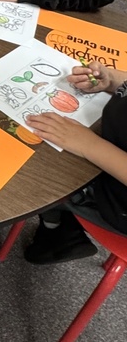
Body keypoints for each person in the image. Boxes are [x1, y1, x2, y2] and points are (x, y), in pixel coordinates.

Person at [22, 60, 127, 263]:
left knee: (40, 173)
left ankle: (59, 233)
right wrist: (112, 80)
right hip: (108, 139)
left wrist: (89, 145)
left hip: (115, 200)